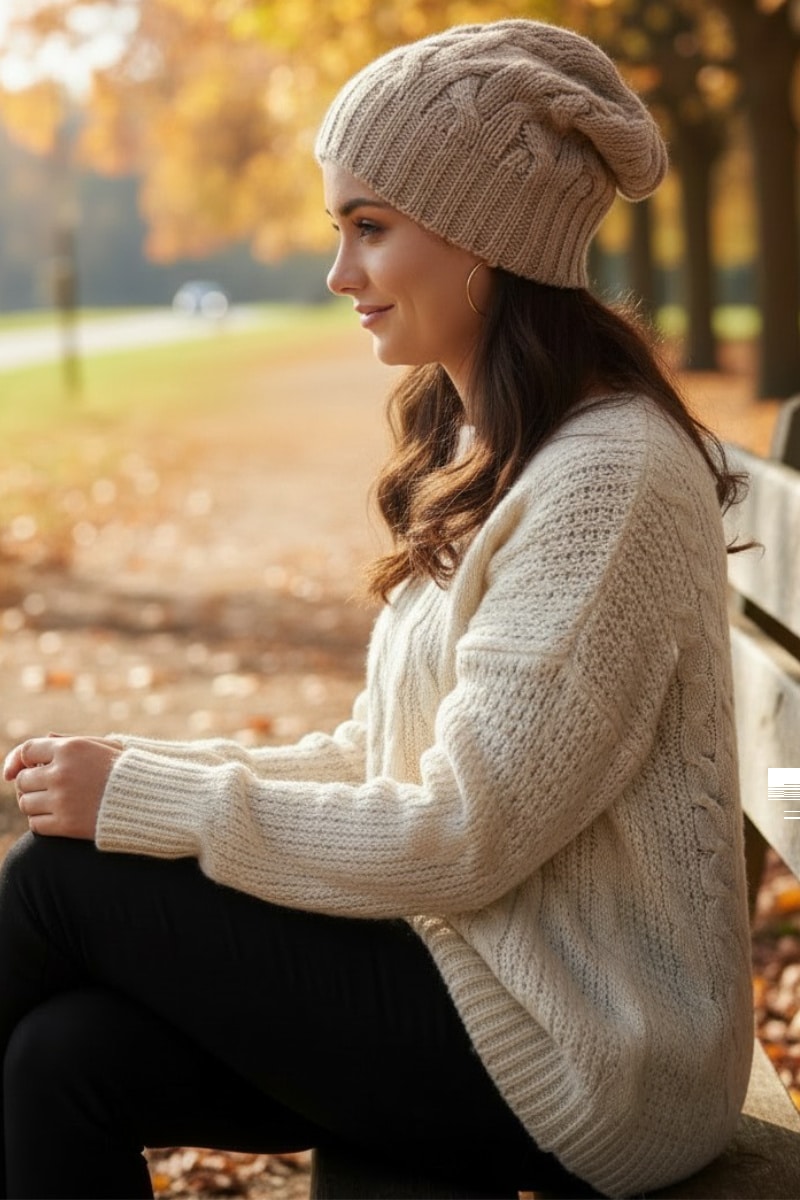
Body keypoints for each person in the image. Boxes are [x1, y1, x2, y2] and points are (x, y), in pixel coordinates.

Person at [0, 18, 754, 1200]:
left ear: (485, 244)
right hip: (470, 972)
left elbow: (460, 832)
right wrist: (131, 767)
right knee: (63, 1059)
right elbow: (376, 757)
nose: (338, 276)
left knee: (57, 884)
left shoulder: (605, 478)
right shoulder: (487, 442)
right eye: (338, 231)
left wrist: (149, 802)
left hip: (589, 1052)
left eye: (369, 229)